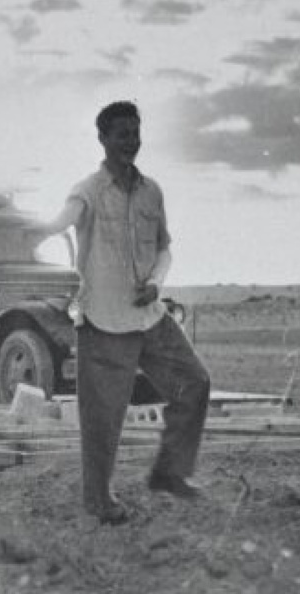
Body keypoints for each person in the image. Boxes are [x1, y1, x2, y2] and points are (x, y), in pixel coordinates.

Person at [34, 100, 210, 525]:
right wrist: (34, 230)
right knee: (103, 418)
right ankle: (98, 500)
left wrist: (157, 284)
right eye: (121, 135)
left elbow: (164, 248)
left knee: (194, 382)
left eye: (135, 133)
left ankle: (170, 473)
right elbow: (61, 221)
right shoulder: (87, 190)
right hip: (104, 321)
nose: (130, 142)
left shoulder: (152, 191)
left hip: (150, 317)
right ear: (103, 139)